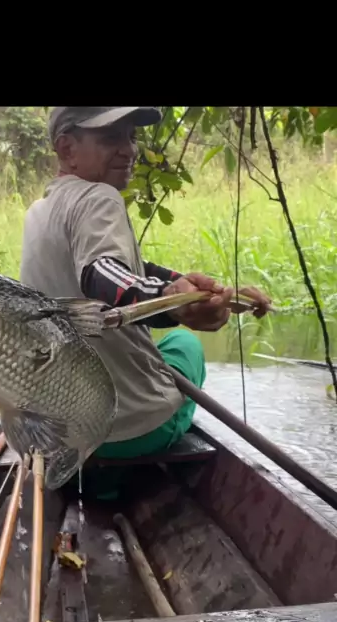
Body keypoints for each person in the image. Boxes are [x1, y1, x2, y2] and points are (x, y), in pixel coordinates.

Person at [20, 107, 271, 494]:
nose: (129, 150)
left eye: (131, 137)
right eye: (111, 138)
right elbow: (100, 272)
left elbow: (126, 268)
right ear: (67, 149)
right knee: (184, 344)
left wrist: (190, 286)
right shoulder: (99, 197)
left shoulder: (40, 212)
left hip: (62, 435)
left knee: (160, 349)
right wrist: (170, 300)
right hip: (126, 434)